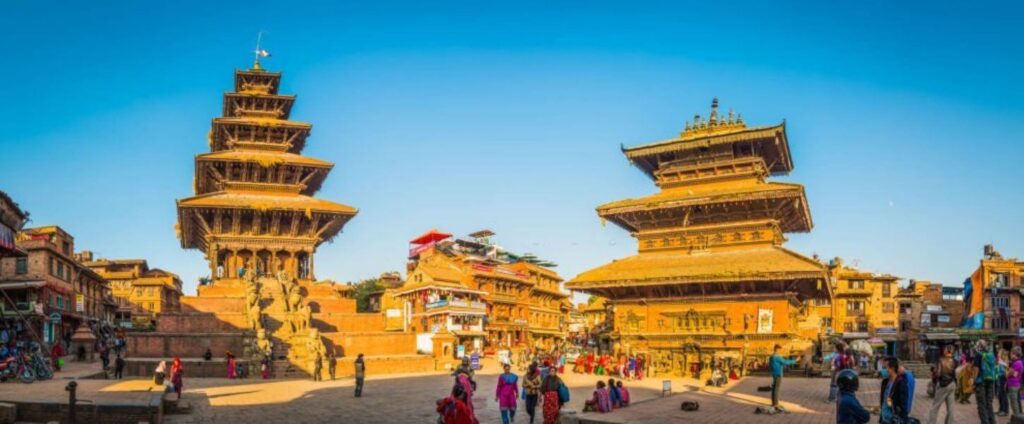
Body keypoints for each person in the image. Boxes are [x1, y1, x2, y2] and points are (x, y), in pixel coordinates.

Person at [929, 346, 956, 424]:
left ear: (945, 351)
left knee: (935, 407)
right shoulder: (955, 361)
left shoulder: (941, 360)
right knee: (951, 409)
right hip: (952, 384)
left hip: (943, 385)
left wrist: (933, 372)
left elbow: (938, 373)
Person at [881, 357, 911, 424]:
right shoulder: (885, 382)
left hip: (894, 420)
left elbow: (904, 405)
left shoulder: (900, 383)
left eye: (885, 367)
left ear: (893, 368)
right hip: (884, 418)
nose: (883, 370)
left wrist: (904, 420)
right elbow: (885, 399)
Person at [973, 340, 996, 424]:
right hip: (990, 381)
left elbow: (976, 369)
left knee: (982, 405)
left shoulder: (978, 355)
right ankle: (992, 421)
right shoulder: (991, 354)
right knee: (989, 404)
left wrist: (974, 381)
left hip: (981, 382)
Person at [769, 344, 797, 409]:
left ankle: (773, 403)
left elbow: (770, 365)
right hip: (778, 374)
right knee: (776, 389)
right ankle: (775, 404)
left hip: (774, 373)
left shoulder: (771, 356)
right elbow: (785, 362)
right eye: (779, 350)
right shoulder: (777, 357)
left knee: (774, 388)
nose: (780, 351)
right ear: (777, 349)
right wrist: (795, 360)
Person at [1008, 346, 1023, 416]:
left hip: (1013, 384)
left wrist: (1006, 369)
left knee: (1014, 403)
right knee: (1016, 402)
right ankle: (1019, 417)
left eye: (1011, 353)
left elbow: (1009, 374)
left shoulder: (1016, 363)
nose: (1010, 355)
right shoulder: (1019, 362)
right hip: (1016, 384)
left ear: (1014, 354)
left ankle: (1017, 419)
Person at [996, 348, 1009, 417]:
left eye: (999, 352)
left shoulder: (1004, 361)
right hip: (999, 378)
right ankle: (1001, 409)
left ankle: (1005, 410)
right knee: (1000, 395)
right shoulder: (1000, 361)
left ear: (1002, 354)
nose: (998, 353)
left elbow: (1006, 372)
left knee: (1004, 395)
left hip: (1003, 379)